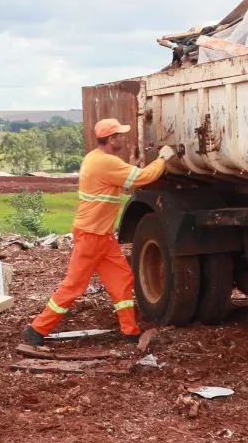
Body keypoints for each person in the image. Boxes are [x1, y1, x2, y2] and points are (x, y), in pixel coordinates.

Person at [23, 118, 174, 346]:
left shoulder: (95, 158)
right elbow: (142, 178)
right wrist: (163, 158)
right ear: (111, 139)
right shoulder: (105, 163)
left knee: (122, 279)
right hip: (91, 236)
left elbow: (119, 179)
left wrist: (130, 166)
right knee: (74, 286)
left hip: (101, 236)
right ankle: (36, 330)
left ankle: (131, 333)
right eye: (120, 135)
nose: (124, 137)